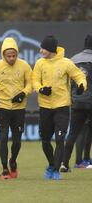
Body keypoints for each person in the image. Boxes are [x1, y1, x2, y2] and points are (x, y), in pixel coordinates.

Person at [32, 35, 86, 180]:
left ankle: (56, 170)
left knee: (60, 139)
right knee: (45, 141)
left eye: (43, 48)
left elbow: (79, 76)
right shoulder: (39, 64)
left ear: (50, 49)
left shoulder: (66, 63)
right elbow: (35, 81)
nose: (41, 50)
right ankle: (51, 164)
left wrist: (82, 86)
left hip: (62, 106)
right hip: (44, 107)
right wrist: (41, 89)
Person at [0, 37, 32, 179]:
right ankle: (4, 170)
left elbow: (30, 84)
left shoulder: (25, 65)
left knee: (17, 141)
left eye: (14, 55)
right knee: (3, 138)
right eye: (9, 56)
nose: (12, 58)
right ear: (3, 54)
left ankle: (12, 160)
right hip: (2, 107)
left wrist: (23, 93)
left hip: (19, 108)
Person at [61, 34, 92, 172]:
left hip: (77, 102)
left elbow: (68, 83)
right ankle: (83, 159)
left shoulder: (73, 59)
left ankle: (64, 163)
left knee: (73, 133)